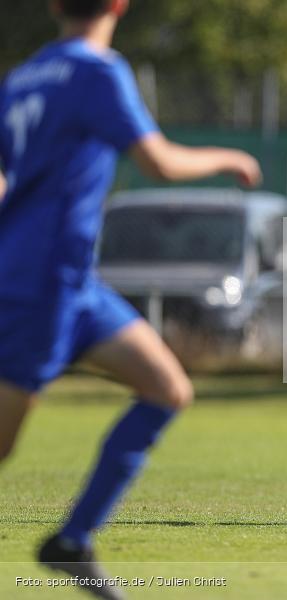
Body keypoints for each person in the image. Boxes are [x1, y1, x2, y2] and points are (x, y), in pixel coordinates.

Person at [0, 1, 261, 597]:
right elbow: (159, 162)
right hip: (36, 286)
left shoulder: (23, 77)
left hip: (71, 283)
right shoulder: (98, 70)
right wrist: (231, 158)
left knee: (167, 389)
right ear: (119, 5)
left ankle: (71, 542)